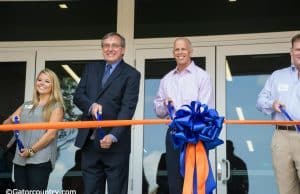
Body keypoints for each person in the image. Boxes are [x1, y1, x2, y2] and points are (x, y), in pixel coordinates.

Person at [73, 32, 141, 194]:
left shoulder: (132, 74)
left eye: (115, 45)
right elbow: (78, 96)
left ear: (123, 50)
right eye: (106, 45)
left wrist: (113, 135)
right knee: (90, 190)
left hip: (115, 144)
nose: (110, 49)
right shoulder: (91, 68)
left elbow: (127, 108)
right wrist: (91, 105)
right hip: (89, 143)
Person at [153, 37, 215, 194]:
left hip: (194, 135)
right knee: (175, 182)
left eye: (183, 49)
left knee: (196, 182)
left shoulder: (202, 76)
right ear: (173, 52)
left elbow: (205, 109)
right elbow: (159, 112)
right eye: (177, 49)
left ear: (190, 51)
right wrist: (164, 105)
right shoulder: (166, 79)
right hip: (173, 135)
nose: (180, 52)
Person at [3, 68, 65, 190]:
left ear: (53, 86)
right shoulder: (26, 104)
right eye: (39, 80)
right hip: (21, 158)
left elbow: (50, 135)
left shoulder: (56, 106)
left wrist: (31, 151)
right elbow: (5, 125)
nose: (42, 83)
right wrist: (11, 119)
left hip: (40, 159)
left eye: (47, 81)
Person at [256, 33, 300, 194]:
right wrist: (272, 104)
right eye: (297, 49)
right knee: (286, 189)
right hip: (282, 135)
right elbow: (260, 101)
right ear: (291, 52)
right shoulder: (278, 76)